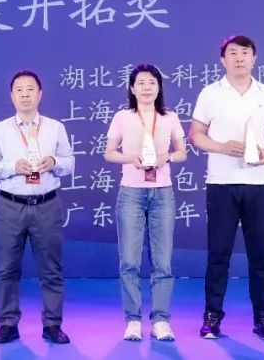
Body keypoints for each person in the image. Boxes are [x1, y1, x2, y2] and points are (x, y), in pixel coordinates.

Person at [189, 35, 264, 340]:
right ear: (223, 59)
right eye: (233, 53)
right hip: (222, 183)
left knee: (261, 256)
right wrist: (221, 146)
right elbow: (195, 135)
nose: (240, 58)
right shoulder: (210, 93)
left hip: (259, 183)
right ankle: (212, 316)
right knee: (219, 254)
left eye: (245, 53)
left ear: (254, 58)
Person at [0, 71, 74, 345]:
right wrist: (12, 167)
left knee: (51, 269)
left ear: (40, 94)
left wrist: (53, 162)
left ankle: (53, 325)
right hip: (10, 206)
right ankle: (8, 324)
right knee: (7, 269)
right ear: (12, 96)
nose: (25, 94)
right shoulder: (0, 129)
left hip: (46, 205)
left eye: (30, 89)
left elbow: (69, 163)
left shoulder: (55, 127)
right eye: (19, 90)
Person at [104, 64, 187, 342]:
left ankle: (161, 320)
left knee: (162, 262)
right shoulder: (122, 117)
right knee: (129, 260)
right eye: (140, 83)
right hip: (131, 192)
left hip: (162, 192)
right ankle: (133, 320)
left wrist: (167, 158)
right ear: (132, 88)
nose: (146, 87)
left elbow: (182, 152)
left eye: (151, 82)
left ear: (159, 87)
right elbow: (109, 153)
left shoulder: (170, 117)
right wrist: (131, 159)